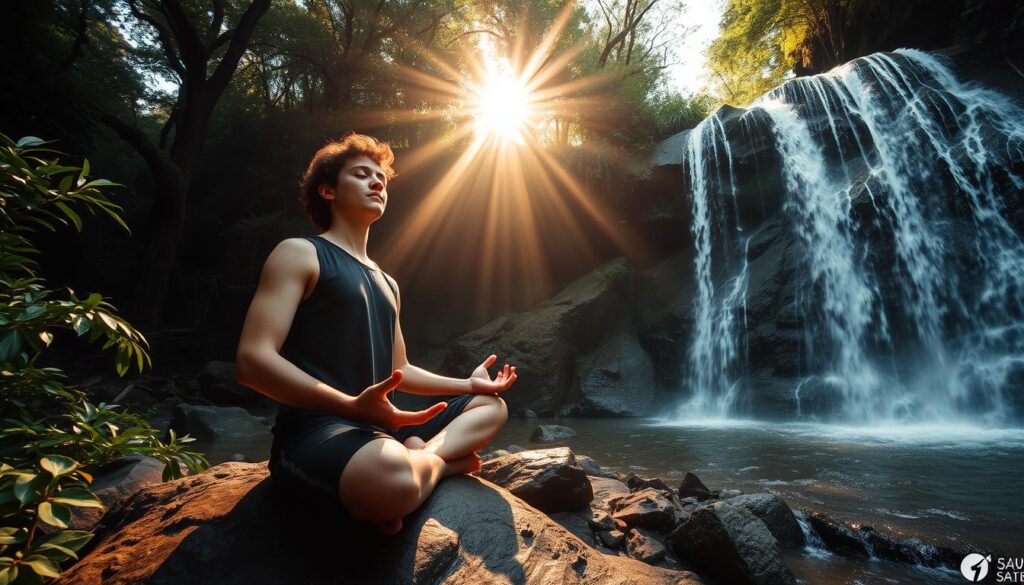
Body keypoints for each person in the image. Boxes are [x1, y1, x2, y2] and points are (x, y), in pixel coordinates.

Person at [235, 133, 517, 535]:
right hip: (318, 430)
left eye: (381, 177)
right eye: (362, 174)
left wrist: (467, 385)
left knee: (491, 407)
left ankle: (425, 460)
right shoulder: (299, 253)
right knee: (388, 476)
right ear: (328, 190)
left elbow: (399, 368)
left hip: (380, 427)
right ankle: (439, 466)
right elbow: (252, 361)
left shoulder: (387, 282)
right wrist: (351, 406)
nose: (378, 182)